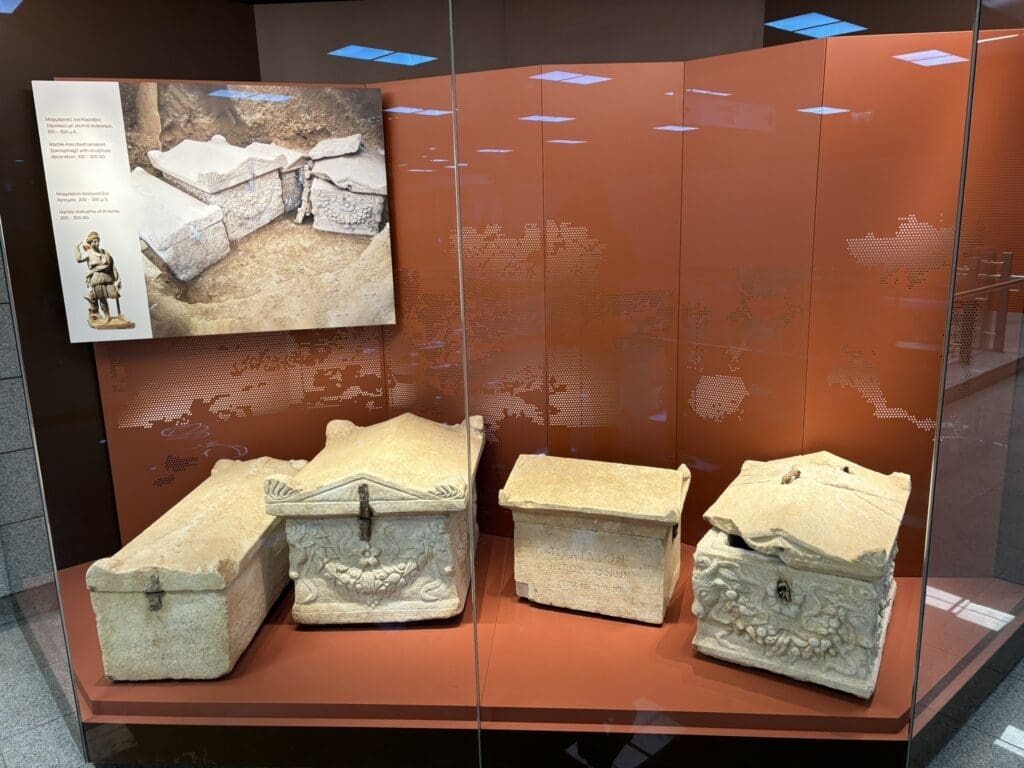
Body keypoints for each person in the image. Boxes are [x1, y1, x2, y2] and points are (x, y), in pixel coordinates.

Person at [74, 231, 122, 323]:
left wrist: (118, 279)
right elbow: (79, 259)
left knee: (114, 293)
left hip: (108, 277)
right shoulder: (89, 253)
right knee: (102, 298)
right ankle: (107, 316)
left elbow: (112, 266)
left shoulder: (104, 252)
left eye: (97, 241)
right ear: (90, 243)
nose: (96, 243)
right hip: (97, 279)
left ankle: (117, 315)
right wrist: (76, 247)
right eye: (94, 242)